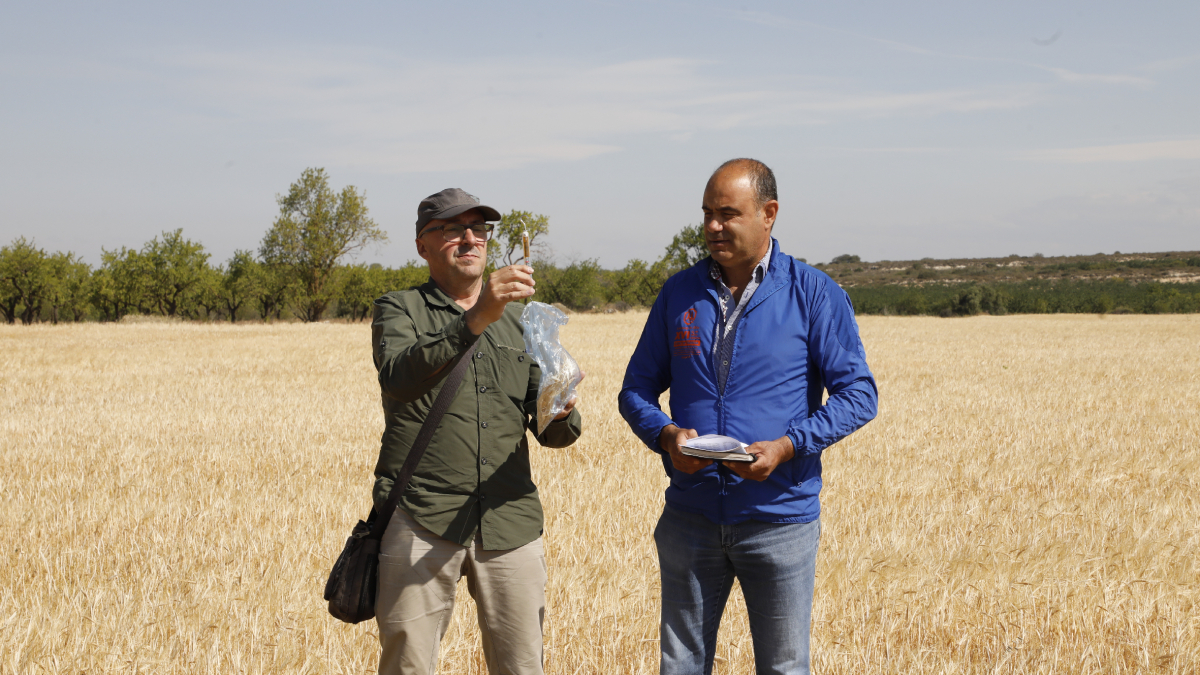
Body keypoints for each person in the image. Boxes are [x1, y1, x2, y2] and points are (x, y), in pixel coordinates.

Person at [618, 159, 878, 675]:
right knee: (681, 665)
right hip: (689, 518)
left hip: (779, 520)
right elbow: (635, 391)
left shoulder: (813, 292)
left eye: (728, 214)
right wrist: (667, 436)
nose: (713, 227)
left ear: (769, 214)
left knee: (783, 666)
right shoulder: (679, 293)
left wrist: (787, 446)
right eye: (708, 214)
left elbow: (859, 395)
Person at [371, 187, 583, 675]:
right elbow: (400, 375)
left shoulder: (523, 321)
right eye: (451, 229)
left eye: (479, 229)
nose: (469, 239)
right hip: (422, 516)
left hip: (509, 521)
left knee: (523, 666)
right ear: (423, 245)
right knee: (408, 665)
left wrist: (561, 406)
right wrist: (478, 315)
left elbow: (553, 432)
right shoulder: (399, 309)